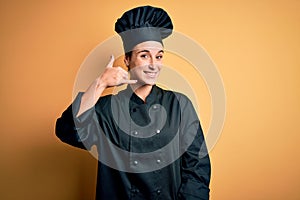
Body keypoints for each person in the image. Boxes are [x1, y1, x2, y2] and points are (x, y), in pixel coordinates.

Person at [55, 5, 211, 200]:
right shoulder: (106, 109)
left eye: (159, 56)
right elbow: (68, 131)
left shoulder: (180, 105)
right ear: (127, 60)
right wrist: (100, 83)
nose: (154, 64)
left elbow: (197, 167)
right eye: (144, 55)